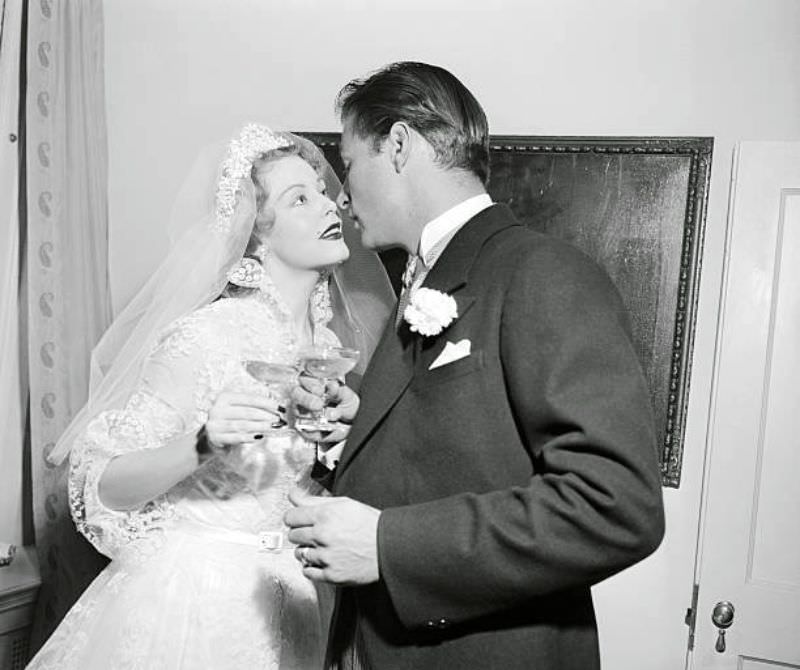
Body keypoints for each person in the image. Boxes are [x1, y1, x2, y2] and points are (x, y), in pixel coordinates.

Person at [285, 62, 666, 670]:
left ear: (401, 145)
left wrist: (387, 547)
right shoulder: (423, 280)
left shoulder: (540, 273)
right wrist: (361, 432)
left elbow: (615, 506)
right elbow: (464, 448)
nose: (341, 192)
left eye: (350, 165)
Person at [27, 124, 394, 669]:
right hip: (196, 604)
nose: (328, 205)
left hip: (293, 598)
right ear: (256, 236)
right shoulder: (208, 335)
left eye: (322, 191)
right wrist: (202, 442)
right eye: (300, 199)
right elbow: (99, 483)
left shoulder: (327, 347)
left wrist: (343, 445)